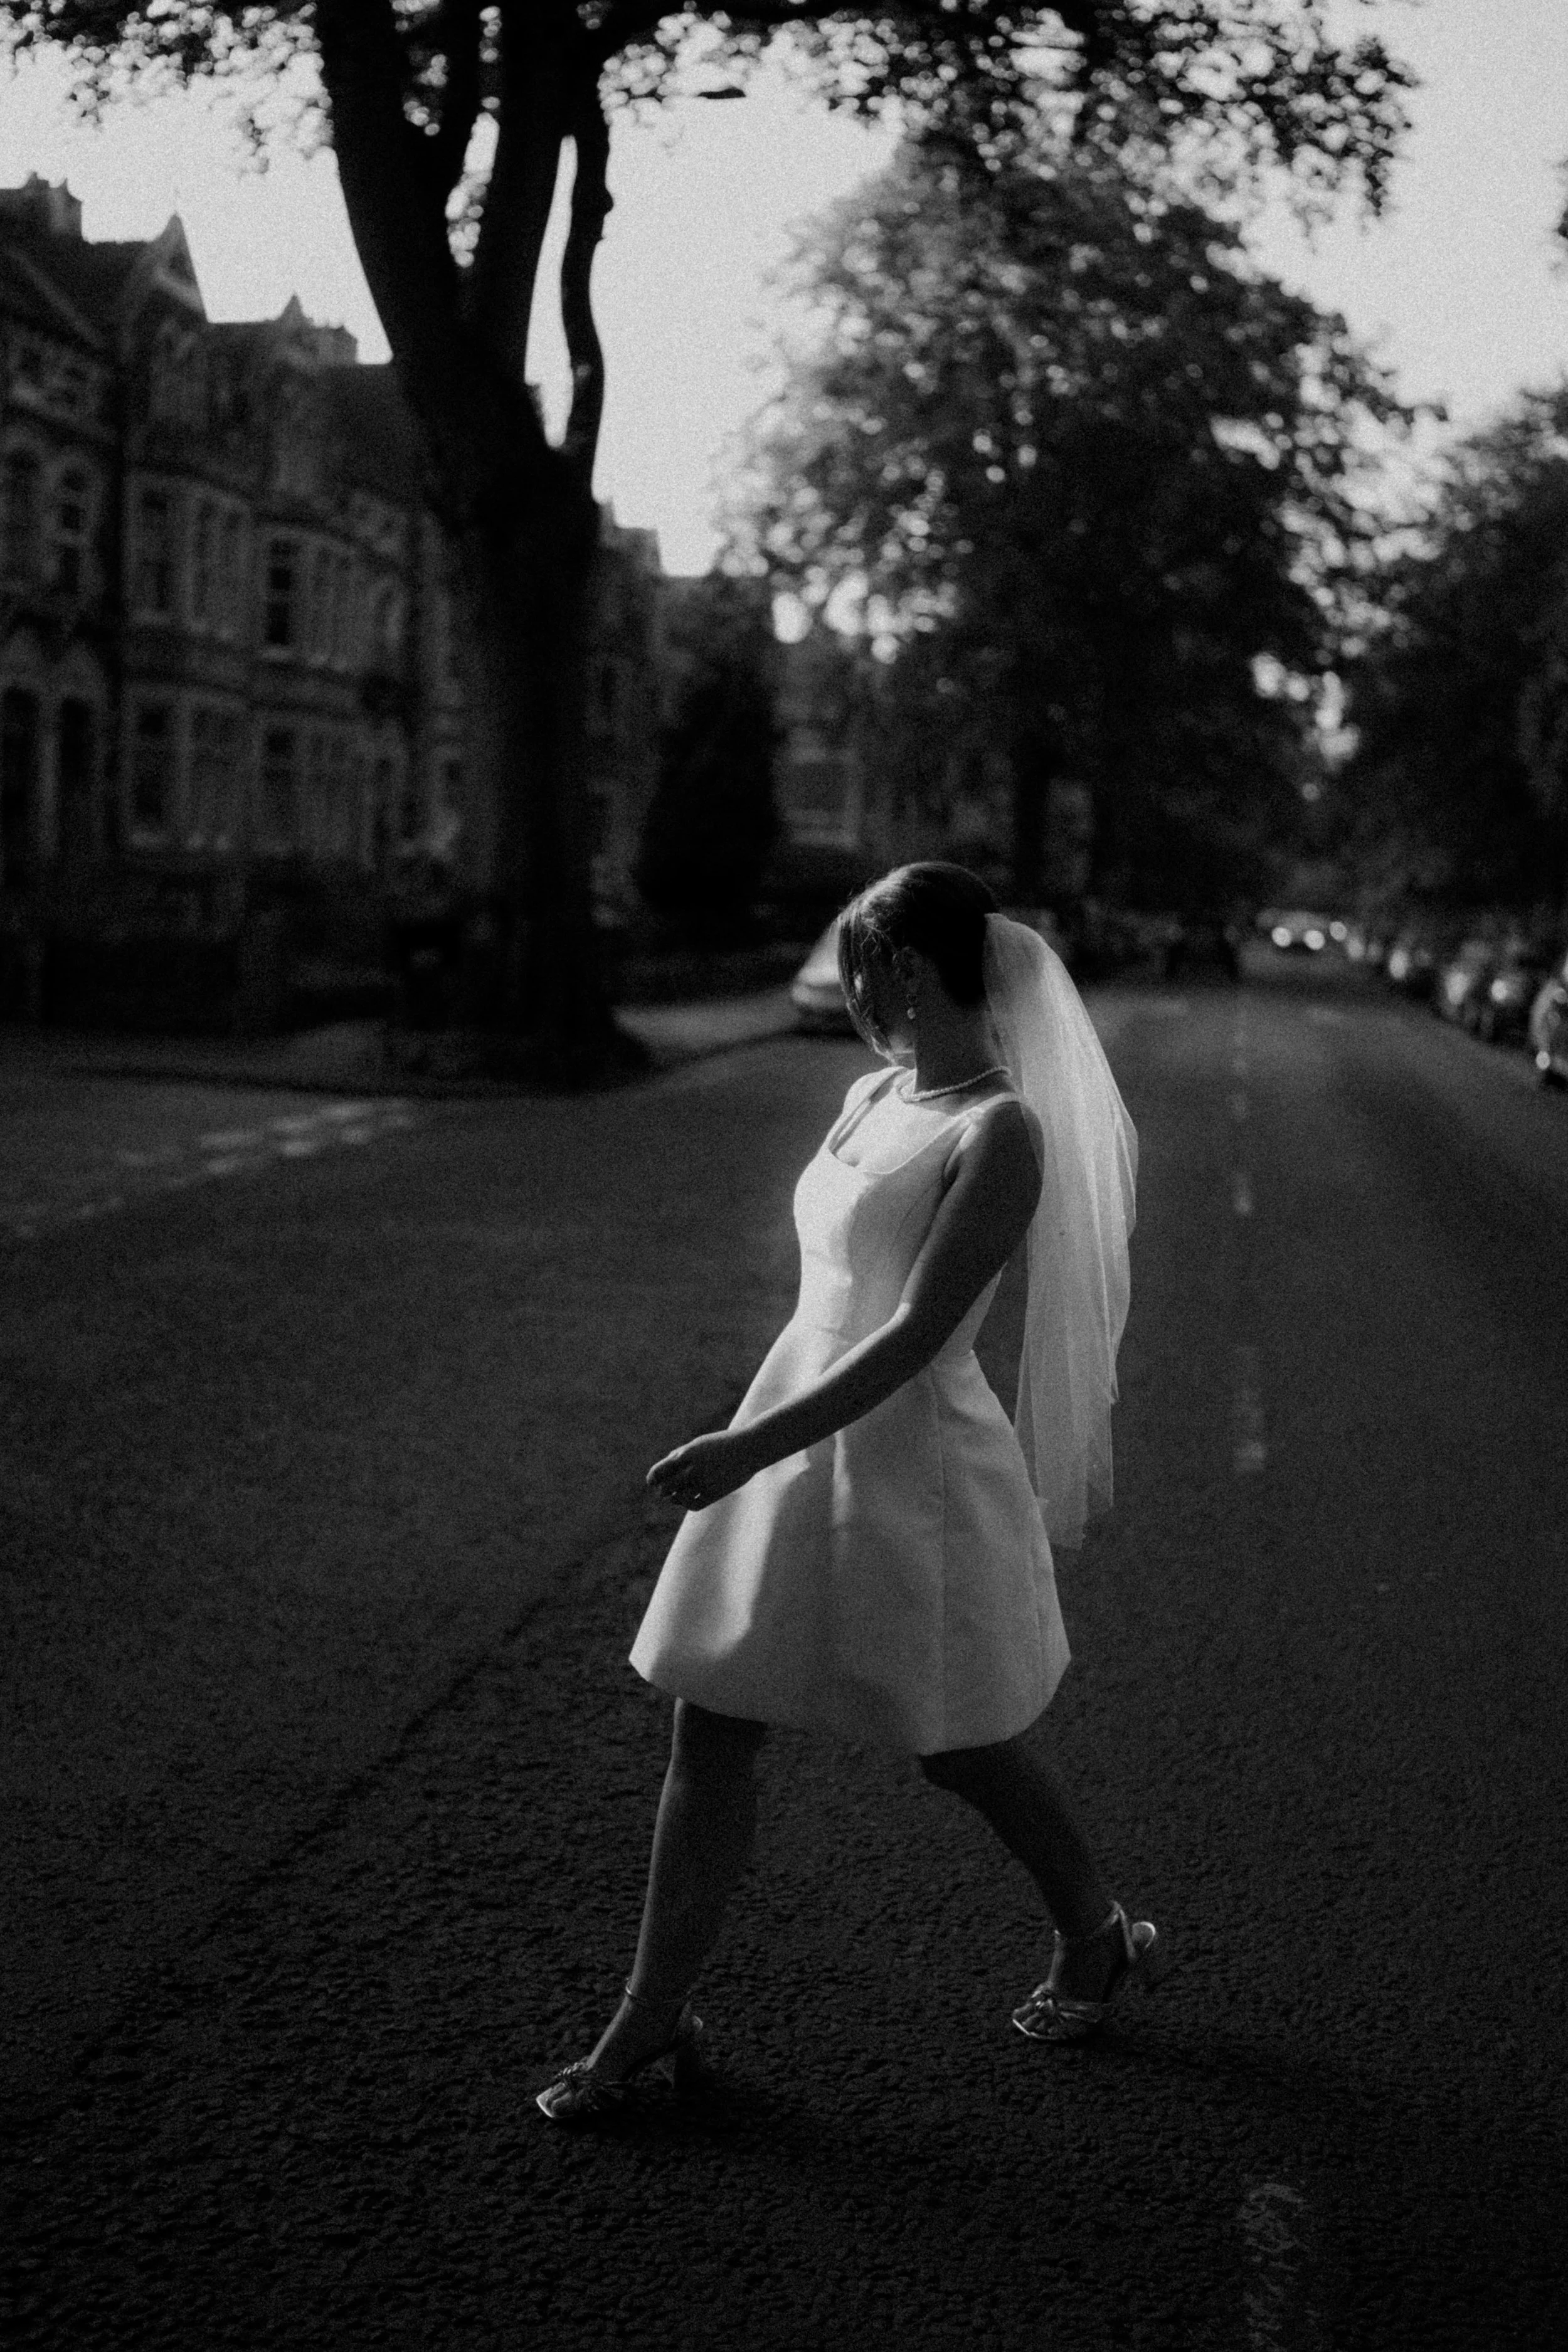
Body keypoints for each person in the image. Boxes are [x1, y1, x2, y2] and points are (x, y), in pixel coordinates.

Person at [536, 862, 1160, 2125]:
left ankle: (1095, 1933)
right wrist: (763, 1434)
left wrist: (747, 1445)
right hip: (794, 1421)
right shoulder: (867, 1093)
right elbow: (827, 1298)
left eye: (856, 957)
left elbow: (915, 1334)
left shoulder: (999, 1135)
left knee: (959, 1745)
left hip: (907, 1458)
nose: (845, 982)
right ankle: (651, 2018)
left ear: (905, 968)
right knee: (709, 1716)